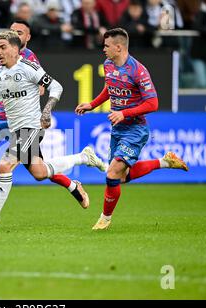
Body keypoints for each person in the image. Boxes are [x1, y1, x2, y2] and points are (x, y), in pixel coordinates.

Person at [0, 20, 106, 222]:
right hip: (4, 122)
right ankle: (83, 159)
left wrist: (46, 111)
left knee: (5, 165)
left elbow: (54, 86)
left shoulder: (29, 64)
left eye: (3, 47)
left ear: (21, 42)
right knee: (39, 172)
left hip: (30, 126)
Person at [75, 28, 188, 230]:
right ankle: (165, 161)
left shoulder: (138, 70)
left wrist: (124, 113)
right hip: (117, 129)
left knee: (111, 175)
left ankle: (105, 219)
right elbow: (110, 88)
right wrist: (92, 104)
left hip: (136, 129)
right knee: (122, 177)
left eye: (107, 45)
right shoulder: (108, 65)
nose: (103, 49)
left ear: (119, 47)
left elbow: (153, 104)